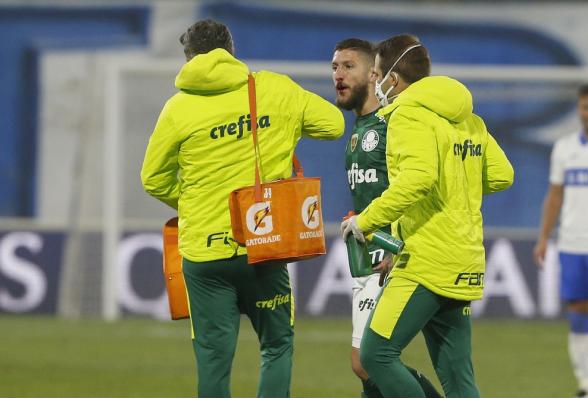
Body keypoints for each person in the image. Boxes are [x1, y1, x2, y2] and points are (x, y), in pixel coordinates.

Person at [141, 19, 344, 398]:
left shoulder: (177, 108)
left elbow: (152, 178)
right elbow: (333, 125)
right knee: (277, 344)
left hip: (204, 252)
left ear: (188, 59)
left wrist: (195, 205)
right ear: (231, 50)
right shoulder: (275, 89)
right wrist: (279, 130)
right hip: (262, 243)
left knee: (213, 360)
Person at [340, 34, 514, 398]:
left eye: (377, 74)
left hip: (425, 260)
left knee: (375, 356)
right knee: (459, 379)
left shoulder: (407, 115)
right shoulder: (468, 119)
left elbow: (417, 179)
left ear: (393, 79)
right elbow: (501, 175)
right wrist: (457, 185)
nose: (375, 83)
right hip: (463, 259)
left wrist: (365, 221)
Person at [332, 38, 442, 398]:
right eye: (334, 67)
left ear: (374, 74)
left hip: (392, 255)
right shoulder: (361, 128)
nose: (338, 75)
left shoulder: (391, 124)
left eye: (349, 67)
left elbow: (412, 187)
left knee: (369, 361)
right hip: (368, 257)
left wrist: (400, 245)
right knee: (368, 368)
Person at [534, 84, 588, 398]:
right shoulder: (564, 148)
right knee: (579, 311)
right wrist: (544, 237)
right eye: (587, 107)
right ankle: (587, 384)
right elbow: (555, 196)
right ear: (579, 110)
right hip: (573, 244)